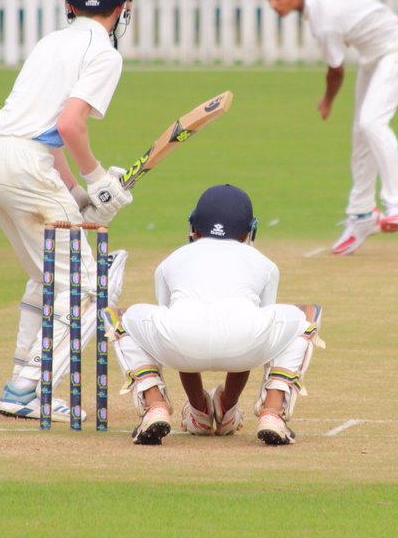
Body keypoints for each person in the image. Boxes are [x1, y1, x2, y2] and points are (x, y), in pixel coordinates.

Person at [0, 0, 135, 422]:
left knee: (51, 279)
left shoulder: (50, 42)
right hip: (24, 170)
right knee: (85, 289)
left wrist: (79, 195)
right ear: (122, 9)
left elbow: (45, 131)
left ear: (69, 5)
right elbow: (68, 124)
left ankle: (24, 380)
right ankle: (26, 391)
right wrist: (100, 182)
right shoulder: (105, 53)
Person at [105, 184, 324, 446]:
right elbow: (256, 327)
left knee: (122, 317)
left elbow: (174, 325)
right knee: (305, 315)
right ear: (249, 231)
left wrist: (200, 408)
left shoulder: (170, 261)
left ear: (194, 227)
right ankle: (273, 413)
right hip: (246, 344)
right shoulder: (265, 264)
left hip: (179, 343)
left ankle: (156, 407)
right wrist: (227, 405)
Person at [258, 0, 398, 255]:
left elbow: (336, 71)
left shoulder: (325, 22)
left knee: (372, 124)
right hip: (373, 57)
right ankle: (361, 216)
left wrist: (328, 101)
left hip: (396, 51)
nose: (273, 4)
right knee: (361, 134)